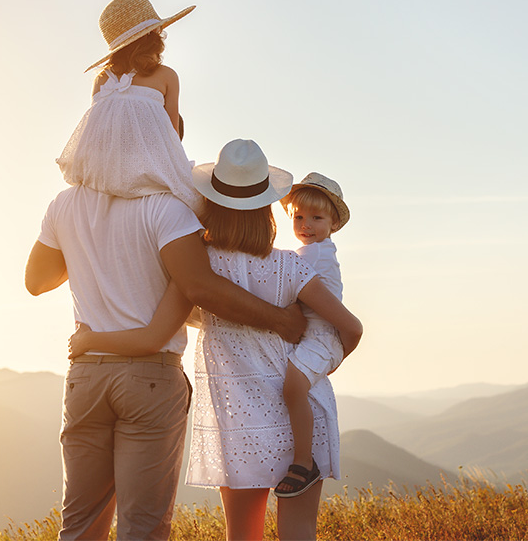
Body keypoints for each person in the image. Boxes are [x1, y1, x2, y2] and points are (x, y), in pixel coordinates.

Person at [25, 0, 307, 540]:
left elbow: (37, 281)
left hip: (86, 374)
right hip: (149, 378)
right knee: (143, 526)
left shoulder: (65, 206)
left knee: (79, 524)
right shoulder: (167, 208)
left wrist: (88, 250)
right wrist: (281, 321)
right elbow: (201, 286)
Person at [68, 140, 363, 541]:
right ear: (267, 207)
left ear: (210, 203)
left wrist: (91, 338)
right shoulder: (292, 266)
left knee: (243, 536)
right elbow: (351, 328)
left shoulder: (198, 271)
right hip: (300, 418)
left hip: (240, 420)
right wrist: (318, 365)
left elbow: (159, 331)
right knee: (299, 534)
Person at [56, 0, 204, 215]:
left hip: (105, 172)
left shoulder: (101, 80)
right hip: (151, 168)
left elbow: (103, 133)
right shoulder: (167, 76)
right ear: (153, 35)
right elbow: (171, 137)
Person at [274, 173, 351, 498]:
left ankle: (304, 462)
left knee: (292, 388)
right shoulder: (319, 250)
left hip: (320, 336)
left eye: (316, 218)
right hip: (317, 335)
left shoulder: (309, 256)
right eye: (299, 217)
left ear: (333, 222)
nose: (306, 225)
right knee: (294, 388)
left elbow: (284, 282)